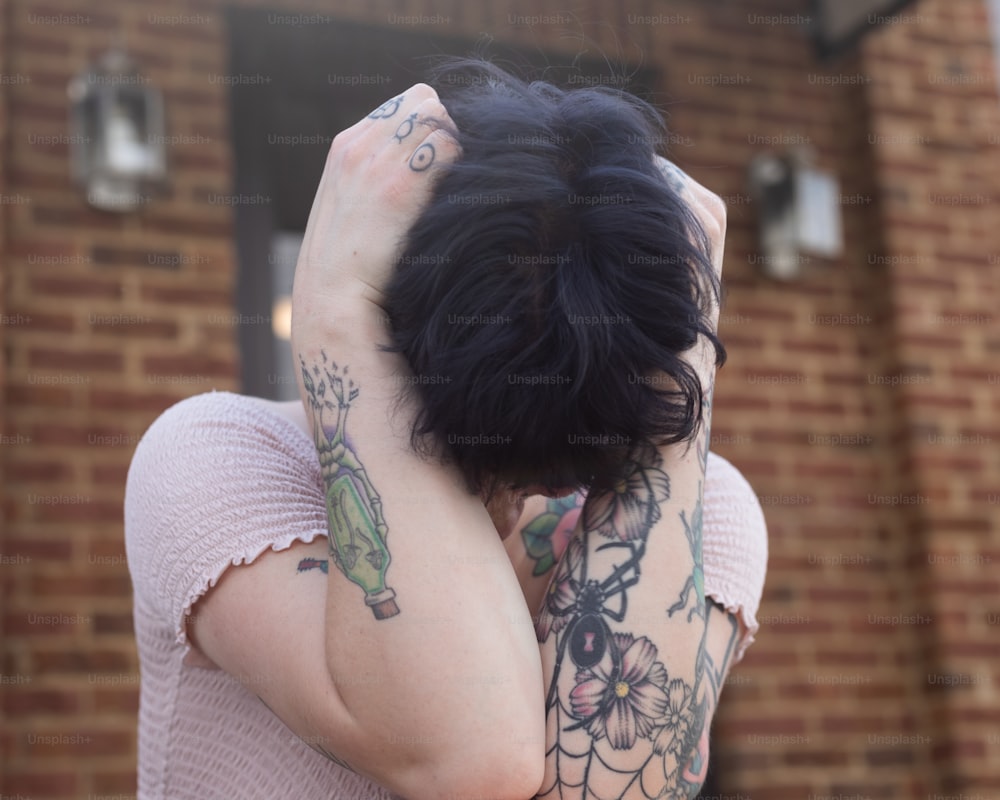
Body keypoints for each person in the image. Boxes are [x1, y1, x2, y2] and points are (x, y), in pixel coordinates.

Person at [125, 61, 767, 800]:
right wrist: (336, 317)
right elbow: (472, 758)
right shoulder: (216, 457)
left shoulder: (709, 509)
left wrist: (681, 381)